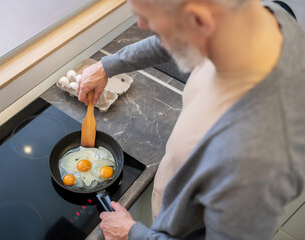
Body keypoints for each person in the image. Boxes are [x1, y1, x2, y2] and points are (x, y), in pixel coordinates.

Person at [77, 0, 305, 239]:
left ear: (198, 19)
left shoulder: (250, 148)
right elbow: (173, 40)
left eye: (149, 19)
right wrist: (107, 66)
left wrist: (131, 234)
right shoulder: (260, 15)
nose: (141, 25)